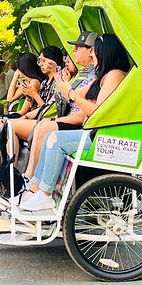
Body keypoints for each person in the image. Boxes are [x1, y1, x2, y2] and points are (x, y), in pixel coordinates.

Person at [18, 34, 131, 211]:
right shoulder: (105, 75)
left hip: (100, 135)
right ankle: (37, 188)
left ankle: (45, 194)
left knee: (54, 140)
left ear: (105, 53)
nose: (93, 56)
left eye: (95, 53)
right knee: (50, 136)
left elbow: (96, 112)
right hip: (93, 132)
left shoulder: (114, 75)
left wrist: (71, 94)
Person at [22, 32, 97, 179]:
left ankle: (33, 180)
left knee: (44, 127)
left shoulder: (94, 75)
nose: (73, 51)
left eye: (78, 47)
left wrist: (56, 120)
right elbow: (63, 98)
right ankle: (30, 177)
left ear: (91, 50)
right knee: (40, 125)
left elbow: (69, 100)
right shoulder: (84, 74)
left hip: (79, 123)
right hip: (68, 118)